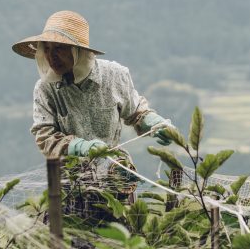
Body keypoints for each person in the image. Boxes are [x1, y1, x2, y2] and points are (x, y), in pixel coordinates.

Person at [13, 10, 178, 159]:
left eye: (59, 48)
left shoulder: (115, 75)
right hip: (69, 182)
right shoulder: (45, 88)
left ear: (77, 50)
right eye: (46, 49)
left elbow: (136, 112)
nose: (51, 57)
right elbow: (45, 136)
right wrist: (79, 146)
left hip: (115, 174)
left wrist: (155, 123)